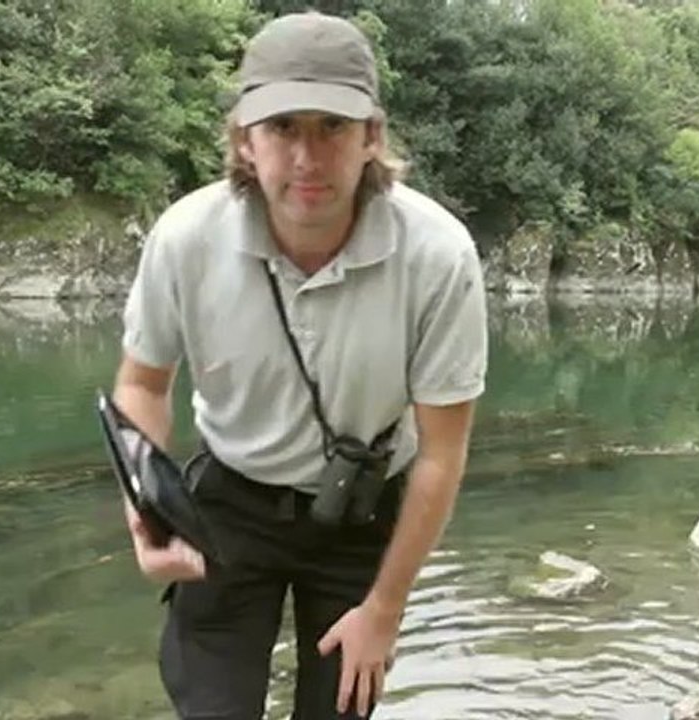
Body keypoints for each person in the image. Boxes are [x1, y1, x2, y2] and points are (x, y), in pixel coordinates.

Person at [112, 10, 487, 719]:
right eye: (283, 128)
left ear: (372, 136)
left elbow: (441, 453)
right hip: (227, 507)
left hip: (363, 510)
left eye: (332, 127)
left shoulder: (439, 254)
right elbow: (142, 385)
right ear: (244, 141)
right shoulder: (186, 238)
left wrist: (385, 608)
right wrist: (145, 507)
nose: (308, 159)